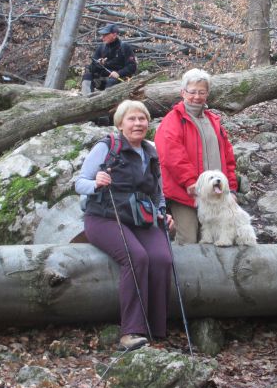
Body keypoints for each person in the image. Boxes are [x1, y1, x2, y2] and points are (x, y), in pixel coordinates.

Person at [75, 100, 174, 351]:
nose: (138, 123)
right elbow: (79, 184)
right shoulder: (106, 147)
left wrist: (162, 213)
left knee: (162, 258)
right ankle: (131, 331)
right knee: (136, 257)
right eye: (132, 119)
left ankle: (155, 328)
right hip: (104, 218)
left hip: (141, 218)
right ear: (120, 124)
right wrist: (96, 182)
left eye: (142, 119)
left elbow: (158, 193)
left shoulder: (150, 150)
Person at [155, 68, 239, 244]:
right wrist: (190, 182)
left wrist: (230, 188)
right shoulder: (172, 121)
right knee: (189, 239)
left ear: (207, 94)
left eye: (202, 92)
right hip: (185, 193)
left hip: (216, 195)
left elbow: (228, 158)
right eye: (192, 92)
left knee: (216, 237)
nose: (197, 96)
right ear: (183, 92)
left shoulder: (214, 121)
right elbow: (172, 156)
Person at [81, 24, 138, 94]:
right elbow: (91, 69)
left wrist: (118, 73)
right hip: (103, 81)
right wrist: (98, 64)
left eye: (105, 35)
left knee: (112, 81)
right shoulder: (101, 48)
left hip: (120, 81)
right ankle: (86, 100)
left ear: (114, 35)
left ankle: (106, 102)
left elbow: (132, 67)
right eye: (102, 35)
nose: (103, 38)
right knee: (87, 76)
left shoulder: (125, 47)